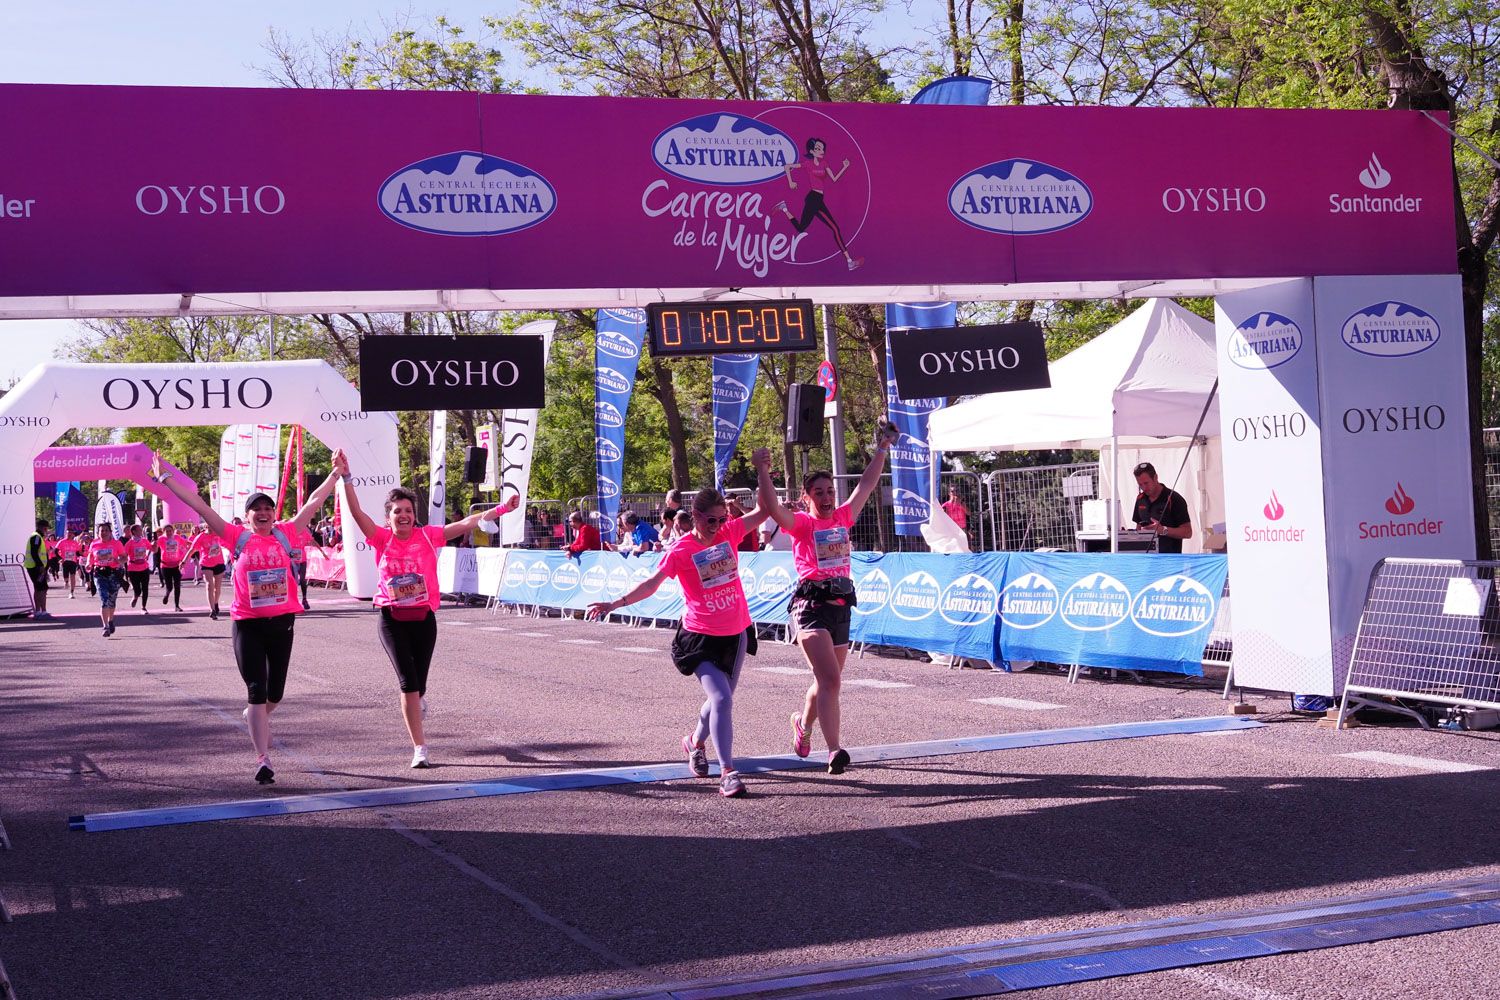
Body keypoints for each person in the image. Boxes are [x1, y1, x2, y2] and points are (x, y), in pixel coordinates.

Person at [151, 454, 340, 785]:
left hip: (282, 623)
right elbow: (200, 506)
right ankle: (263, 759)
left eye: (268, 508)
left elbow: (313, 501)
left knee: (275, 694)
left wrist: (336, 474)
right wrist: (165, 479)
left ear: (273, 514)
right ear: (249, 516)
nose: (264, 513)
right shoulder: (236, 536)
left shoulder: (287, 533)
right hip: (247, 624)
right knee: (256, 688)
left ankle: (258, 716)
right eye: (257, 509)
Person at [333, 449, 519, 768]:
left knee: (419, 685)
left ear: (413, 514)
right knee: (408, 683)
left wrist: (500, 509)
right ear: (388, 517)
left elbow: (465, 523)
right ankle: (420, 747)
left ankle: (417, 702)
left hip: (424, 619)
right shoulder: (380, 538)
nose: (403, 516)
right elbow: (356, 512)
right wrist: (346, 478)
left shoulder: (429, 537)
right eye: (397, 512)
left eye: (407, 510)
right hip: (392, 619)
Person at [586, 487, 769, 798]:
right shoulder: (681, 550)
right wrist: (615, 603)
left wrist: (763, 470)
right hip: (699, 637)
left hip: (735, 632)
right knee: (722, 700)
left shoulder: (730, 531)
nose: (717, 526)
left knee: (718, 702)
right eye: (711, 520)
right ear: (695, 516)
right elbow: (652, 583)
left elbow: (765, 512)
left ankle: (695, 742)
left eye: (721, 519)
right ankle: (728, 772)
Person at [754, 422, 898, 775]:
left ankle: (803, 726)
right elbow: (773, 508)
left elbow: (866, 485)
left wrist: (882, 448)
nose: (826, 496)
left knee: (824, 681)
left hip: (840, 608)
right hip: (810, 609)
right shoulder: (802, 524)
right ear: (807, 496)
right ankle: (834, 750)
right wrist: (762, 470)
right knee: (832, 681)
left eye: (829, 490)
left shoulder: (844, 517)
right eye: (817, 492)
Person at [774, 137, 863, 271]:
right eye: (817, 149)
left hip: (817, 199)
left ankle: (784, 208)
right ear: (812, 151)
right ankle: (849, 261)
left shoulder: (825, 164)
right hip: (813, 199)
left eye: (822, 149)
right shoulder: (808, 164)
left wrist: (844, 167)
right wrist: (790, 181)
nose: (821, 151)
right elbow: (787, 166)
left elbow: (834, 179)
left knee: (800, 228)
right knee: (835, 229)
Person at [1130, 462, 1193, 555]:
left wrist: (1163, 530)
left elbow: (1188, 532)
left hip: (1169, 562)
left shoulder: (1174, 498)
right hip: (1146, 560)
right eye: (1140, 484)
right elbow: (1138, 526)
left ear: (1155, 477)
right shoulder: (1140, 499)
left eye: (1146, 483)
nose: (1144, 487)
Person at [86, 523, 127, 637]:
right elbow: (90, 555)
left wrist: (118, 561)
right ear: (98, 533)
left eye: (105, 530)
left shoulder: (116, 543)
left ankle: (111, 620)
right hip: (99, 573)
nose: (103, 532)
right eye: (101, 531)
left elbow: (124, 557)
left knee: (112, 600)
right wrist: (89, 563)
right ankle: (105, 627)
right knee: (104, 599)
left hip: (113, 574)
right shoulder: (94, 543)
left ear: (110, 532)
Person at [187, 521, 229, 619]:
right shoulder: (201, 536)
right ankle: (212, 610)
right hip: (206, 563)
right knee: (209, 585)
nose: (212, 529)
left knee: (217, 588)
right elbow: (192, 549)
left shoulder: (218, 534)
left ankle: (216, 602)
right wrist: (184, 561)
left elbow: (228, 542)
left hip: (219, 562)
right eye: (209, 527)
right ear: (206, 527)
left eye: (213, 527)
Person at [155, 523, 188, 612]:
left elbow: (185, 542)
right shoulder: (161, 539)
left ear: (173, 531)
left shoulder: (177, 537)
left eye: (170, 531)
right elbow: (154, 547)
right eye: (167, 531)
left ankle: (177, 606)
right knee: (169, 586)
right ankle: (167, 594)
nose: (169, 532)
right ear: (164, 532)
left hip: (176, 565)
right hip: (165, 566)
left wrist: (196, 545)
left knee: (177, 585)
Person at [23, 519, 51, 619]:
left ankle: (38, 611)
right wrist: (40, 567)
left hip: (34, 567)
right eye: (47, 529)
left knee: (38, 588)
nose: (47, 531)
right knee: (42, 589)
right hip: (36, 568)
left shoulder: (37, 537)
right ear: (44, 528)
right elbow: (34, 553)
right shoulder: (36, 537)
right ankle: (43, 612)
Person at [124, 524, 154, 613]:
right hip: (133, 569)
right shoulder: (129, 543)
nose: (141, 532)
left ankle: (143, 607)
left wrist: (155, 544)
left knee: (145, 588)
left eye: (141, 530)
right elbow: (124, 556)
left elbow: (153, 549)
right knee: (137, 589)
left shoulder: (144, 541)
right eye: (140, 530)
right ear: (134, 532)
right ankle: (136, 596)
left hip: (144, 567)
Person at [58, 530, 83, 599]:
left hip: (73, 561)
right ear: (66, 534)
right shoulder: (62, 541)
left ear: (73, 535)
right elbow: (56, 551)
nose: (69, 534)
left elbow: (77, 553)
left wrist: (81, 554)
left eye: (71, 533)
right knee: (65, 576)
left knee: (73, 576)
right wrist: (59, 558)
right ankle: (66, 582)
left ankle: (71, 592)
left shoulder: (75, 543)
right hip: (65, 561)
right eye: (68, 533)